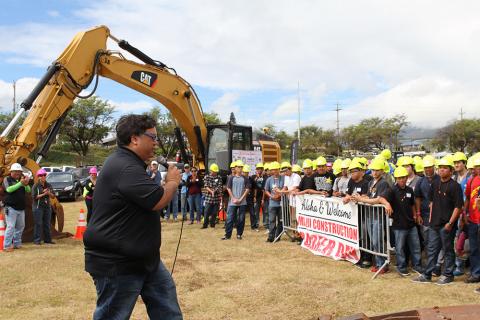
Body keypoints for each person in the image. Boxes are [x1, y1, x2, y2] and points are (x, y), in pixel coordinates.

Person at [83, 114, 182, 319]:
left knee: (168, 310)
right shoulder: (125, 167)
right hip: (118, 263)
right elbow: (157, 200)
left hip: (144, 259)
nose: (156, 142)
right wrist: (172, 182)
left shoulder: (130, 164)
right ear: (134, 139)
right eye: (152, 137)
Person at [413, 157, 464, 285]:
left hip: (447, 225)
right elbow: (431, 201)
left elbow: (458, 207)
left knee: (447, 250)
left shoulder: (455, 186)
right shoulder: (435, 184)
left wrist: (450, 223)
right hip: (434, 224)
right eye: (440, 168)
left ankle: (448, 274)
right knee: (431, 249)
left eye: (445, 168)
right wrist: (431, 219)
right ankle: (427, 274)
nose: (442, 170)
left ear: (451, 171)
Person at [352, 158, 393, 274]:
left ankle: (383, 264)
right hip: (370, 215)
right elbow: (369, 197)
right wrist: (359, 197)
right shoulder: (371, 183)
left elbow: (378, 200)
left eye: (377, 170)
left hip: (378, 217)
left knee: (377, 241)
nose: (374, 172)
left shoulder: (383, 183)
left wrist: (361, 199)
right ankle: (379, 263)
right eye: (373, 170)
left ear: (382, 171)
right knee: (373, 241)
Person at [387, 167, 423, 276]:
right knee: (400, 248)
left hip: (411, 224)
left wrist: (415, 215)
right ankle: (401, 267)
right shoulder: (392, 190)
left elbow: (412, 204)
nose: (402, 180)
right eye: (399, 178)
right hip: (398, 225)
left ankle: (417, 265)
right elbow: (382, 199)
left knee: (416, 246)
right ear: (396, 179)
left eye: (403, 177)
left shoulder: (409, 190)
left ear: (407, 178)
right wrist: (387, 204)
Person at [3, 163, 30, 252]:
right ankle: (6, 246)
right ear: (11, 172)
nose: (17, 173)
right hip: (11, 208)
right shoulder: (7, 179)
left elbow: (28, 190)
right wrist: (20, 184)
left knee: (21, 226)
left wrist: (26, 184)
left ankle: (17, 244)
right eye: (16, 171)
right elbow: (9, 189)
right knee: (10, 227)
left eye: (19, 172)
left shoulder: (20, 180)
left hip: (21, 208)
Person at [222, 160, 250, 240]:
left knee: (241, 219)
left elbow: (247, 189)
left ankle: (239, 234)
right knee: (230, 218)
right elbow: (228, 188)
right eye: (239, 167)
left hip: (242, 202)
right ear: (235, 168)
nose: (240, 169)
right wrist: (233, 198)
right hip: (232, 202)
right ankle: (227, 235)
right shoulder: (231, 178)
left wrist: (241, 199)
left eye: (241, 167)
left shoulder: (245, 178)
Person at [465, 157, 480, 290]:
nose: (478, 168)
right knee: (474, 248)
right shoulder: (471, 181)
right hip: (473, 220)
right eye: (477, 166)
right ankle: (476, 273)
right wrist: (464, 214)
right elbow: (468, 198)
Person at [32, 168, 55, 245]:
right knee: (38, 224)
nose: (43, 177)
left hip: (47, 207)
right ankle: (37, 240)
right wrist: (43, 194)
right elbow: (34, 197)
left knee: (47, 223)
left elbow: (53, 196)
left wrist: (48, 193)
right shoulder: (35, 186)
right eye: (41, 175)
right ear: (38, 177)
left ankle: (48, 240)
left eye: (44, 175)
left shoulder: (48, 185)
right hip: (38, 207)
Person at [264, 162, 285, 242]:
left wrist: (279, 195)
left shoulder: (283, 178)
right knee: (271, 220)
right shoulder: (269, 179)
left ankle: (277, 237)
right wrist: (272, 196)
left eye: (276, 169)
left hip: (281, 203)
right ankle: (271, 237)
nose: (274, 171)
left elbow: (285, 188)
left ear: (279, 170)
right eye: (272, 170)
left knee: (281, 221)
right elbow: (266, 190)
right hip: (272, 203)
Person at [201, 163, 223, 229]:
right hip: (208, 198)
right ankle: (205, 225)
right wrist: (211, 191)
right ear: (211, 171)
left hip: (216, 199)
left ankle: (212, 225)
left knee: (214, 213)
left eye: (216, 171)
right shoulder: (206, 177)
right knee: (206, 212)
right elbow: (206, 186)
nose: (216, 172)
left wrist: (214, 191)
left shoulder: (219, 177)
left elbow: (219, 186)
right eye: (214, 171)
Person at [252, 163, 266, 231]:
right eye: (258, 169)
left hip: (264, 197)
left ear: (263, 169)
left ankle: (265, 224)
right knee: (256, 211)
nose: (259, 170)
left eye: (260, 168)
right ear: (256, 170)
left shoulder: (265, 177)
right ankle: (257, 224)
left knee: (265, 211)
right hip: (256, 197)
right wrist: (257, 178)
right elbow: (252, 185)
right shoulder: (253, 176)